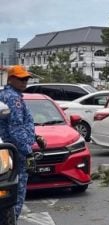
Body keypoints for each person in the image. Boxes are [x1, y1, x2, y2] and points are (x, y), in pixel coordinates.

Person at [0, 65, 45, 220]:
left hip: (10, 150)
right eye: (21, 79)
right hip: (16, 151)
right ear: (11, 79)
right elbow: (15, 128)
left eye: (26, 79)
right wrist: (28, 152)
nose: (24, 82)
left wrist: (35, 136)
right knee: (17, 194)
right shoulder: (13, 98)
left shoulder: (8, 95)